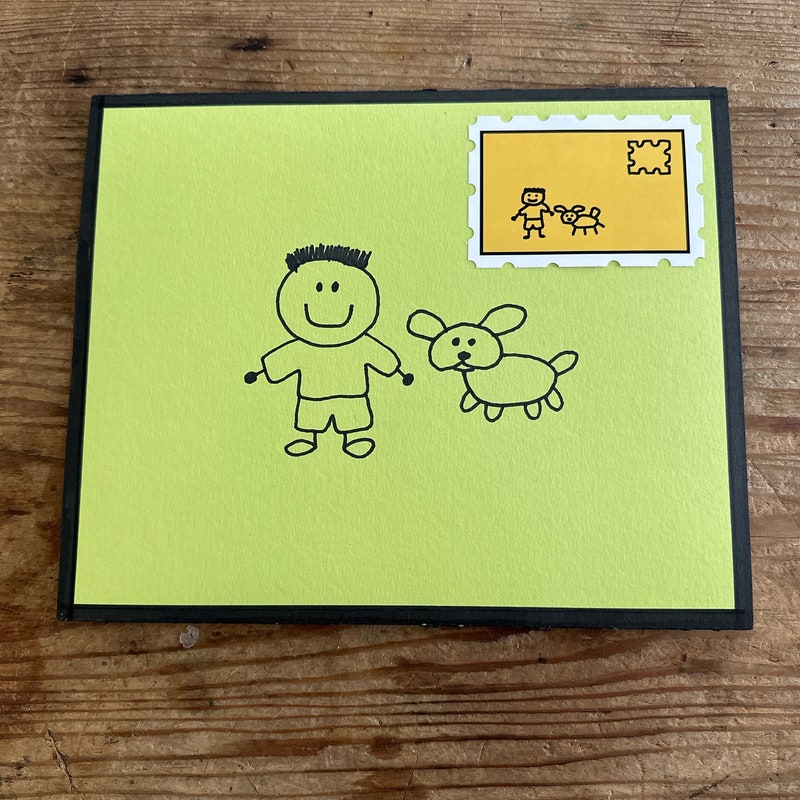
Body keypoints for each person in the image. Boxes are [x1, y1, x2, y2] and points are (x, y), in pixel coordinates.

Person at [258, 243, 412, 459]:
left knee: (353, 418)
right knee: (311, 417)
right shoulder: (302, 346)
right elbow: (282, 360)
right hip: (313, 395)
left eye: (336, 289)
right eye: (318, 289)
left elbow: (383, 359)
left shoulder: (362, 344)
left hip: (352, 395)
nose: (327, 300)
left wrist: (398, 372)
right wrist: (262, 372)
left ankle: (354, 438)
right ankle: (309, 438)